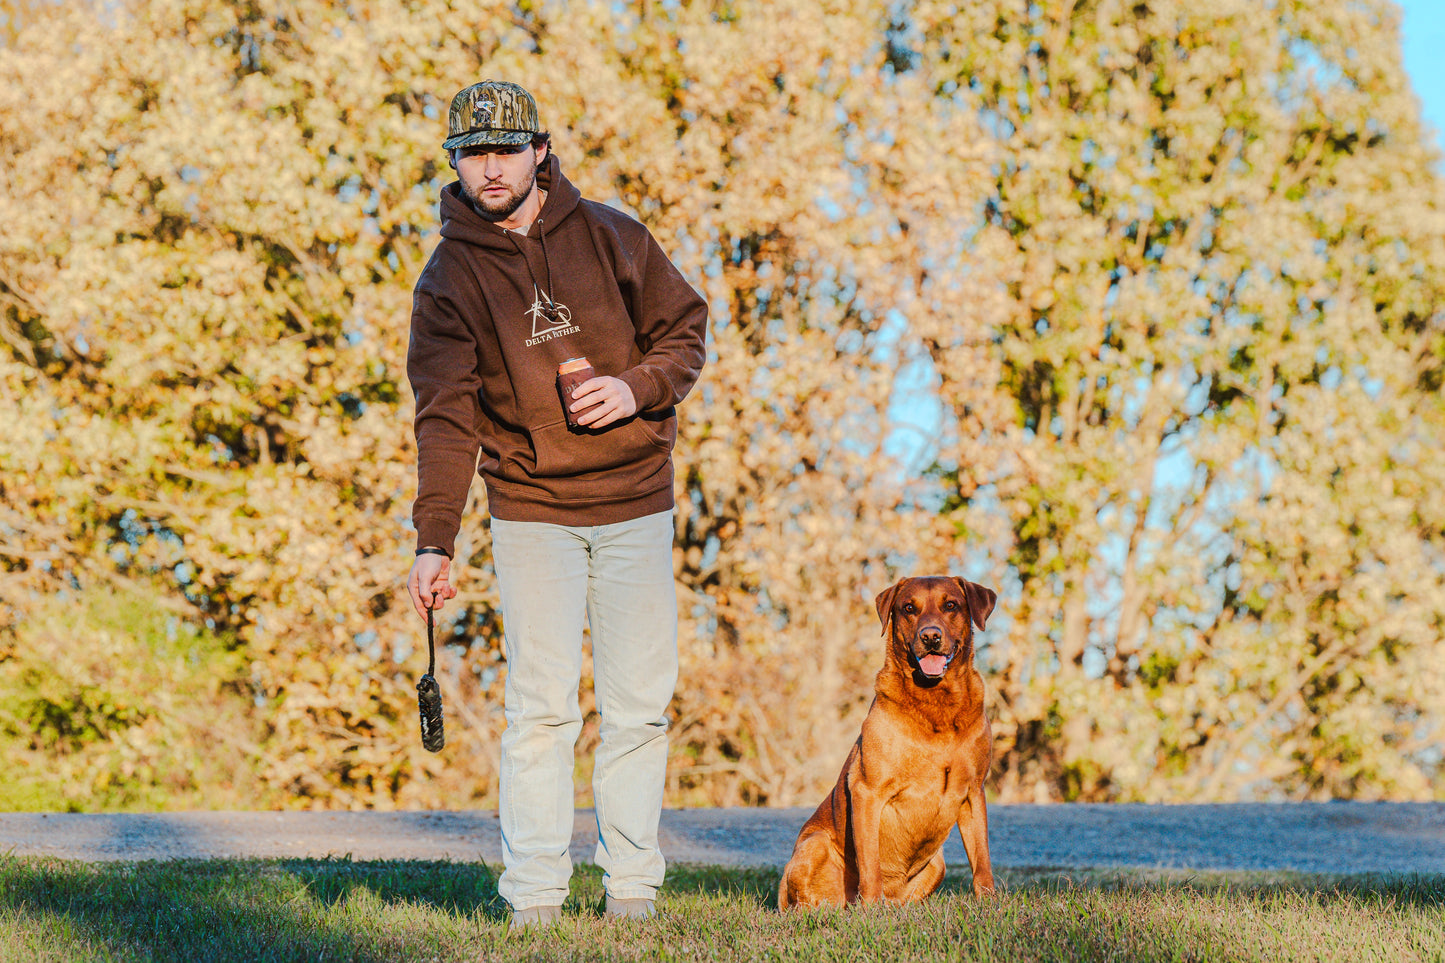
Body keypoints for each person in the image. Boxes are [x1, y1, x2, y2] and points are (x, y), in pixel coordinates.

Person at [403, 79, 707, 928]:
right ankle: (534, 897)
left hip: (635, 500)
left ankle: (631, 889)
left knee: (637, 706)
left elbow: (684, 330)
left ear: (539, 151)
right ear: (455, 163)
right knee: (539, 710)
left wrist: (636, 387)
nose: (491, 168)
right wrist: (434, 539)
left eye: (506, 150)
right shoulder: (447, 279)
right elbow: (445, 417)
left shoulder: (612, 234)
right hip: (531, 510)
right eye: (472, 153)